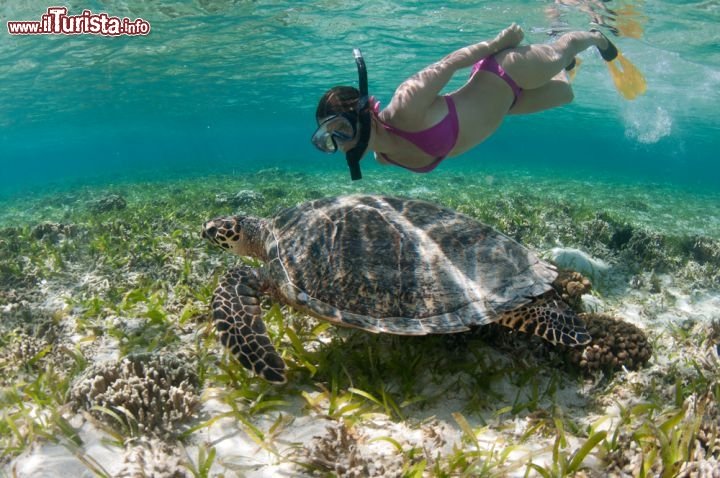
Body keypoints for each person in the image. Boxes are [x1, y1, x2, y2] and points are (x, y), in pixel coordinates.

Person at [311, 24, 621, 180]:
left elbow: (449, 64)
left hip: (505, 70)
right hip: (508, 105)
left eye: (339, 129)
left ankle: (595, 36)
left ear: (362, 112)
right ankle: (563, 66)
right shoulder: (384, 158)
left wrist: (499, 43)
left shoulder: (405, 107)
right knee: (566, 93)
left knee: (562, 50)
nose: (341, 145)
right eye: (329, 141)